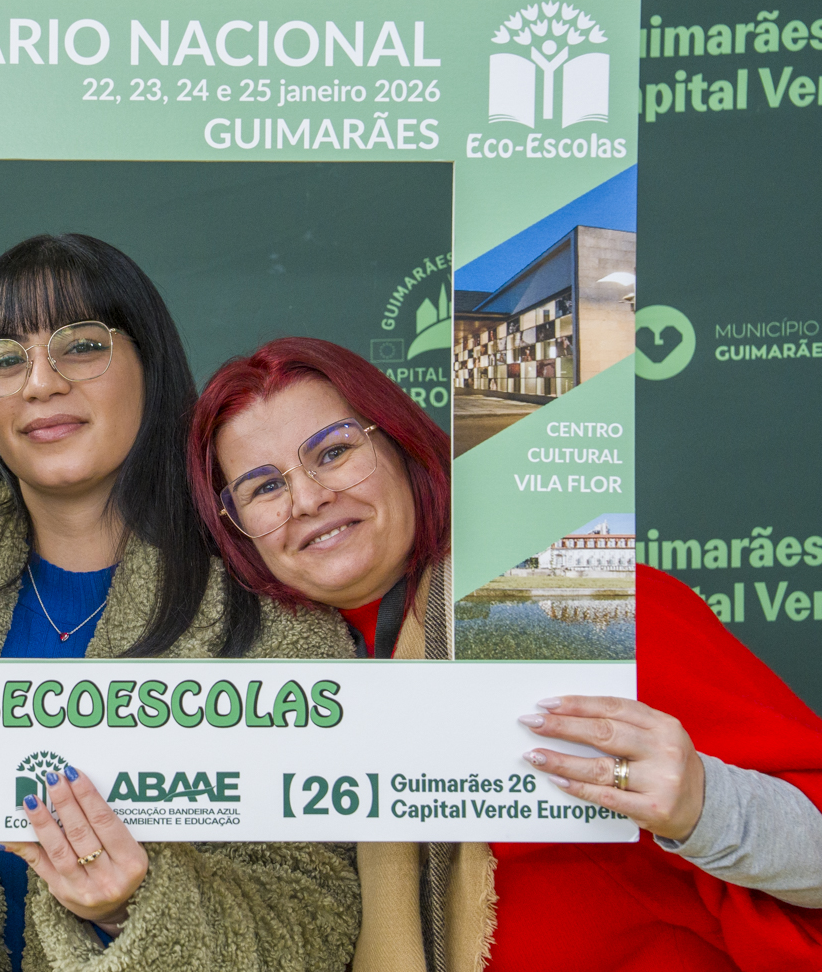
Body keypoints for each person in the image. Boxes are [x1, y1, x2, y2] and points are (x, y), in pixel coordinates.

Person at [187, 335, 822, 972]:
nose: (307, 499)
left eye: (333, 452)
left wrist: (706, 808)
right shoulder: (259, 693)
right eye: (263, 487)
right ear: (235, 528)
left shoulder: (556, 599)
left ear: (401, 446)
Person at [0, 235, 361, 972]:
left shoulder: (272, 615)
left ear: (150, 367)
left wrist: (130, 909)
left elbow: (316, 922)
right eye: (5, 359)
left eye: (81, 347)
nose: (41, 383)